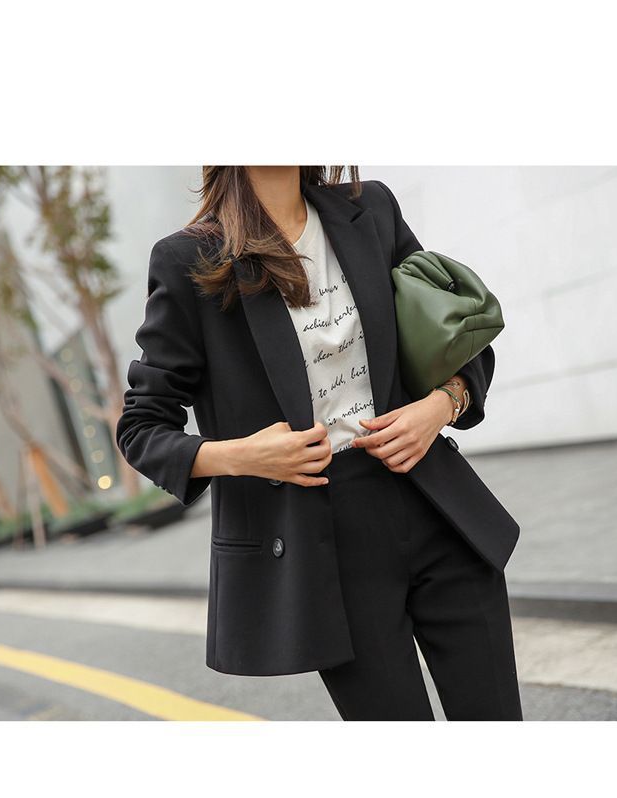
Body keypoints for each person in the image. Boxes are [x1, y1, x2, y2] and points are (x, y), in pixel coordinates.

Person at [116, 166, 523, 721]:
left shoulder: (370, 210)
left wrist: (440, 406)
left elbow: (457, 336)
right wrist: (246, 456)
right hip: (324, 545)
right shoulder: (191, 260)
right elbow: (141, 427)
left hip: (433, 506)